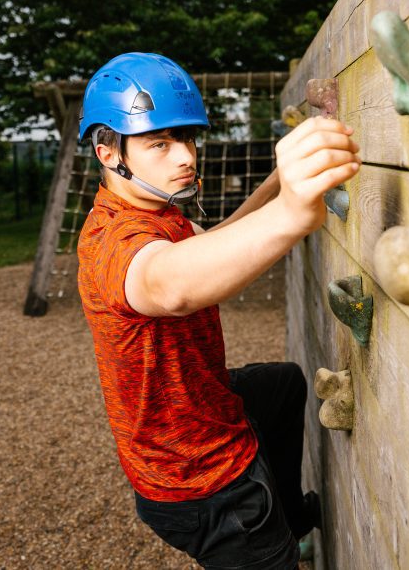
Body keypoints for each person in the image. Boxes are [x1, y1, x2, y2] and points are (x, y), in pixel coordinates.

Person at [75, 52, 359, 569]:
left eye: (186, 138)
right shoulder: (113, 240)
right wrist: (295, 214)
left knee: (281, 385)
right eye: (158, 143)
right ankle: (280, 546)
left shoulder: (159, 210)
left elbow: (217, 240)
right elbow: (171, 285)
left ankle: (292, 524)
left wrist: (281, 184)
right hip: (200, 484)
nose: (184, 156)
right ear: (107, 152)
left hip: (186, 422)